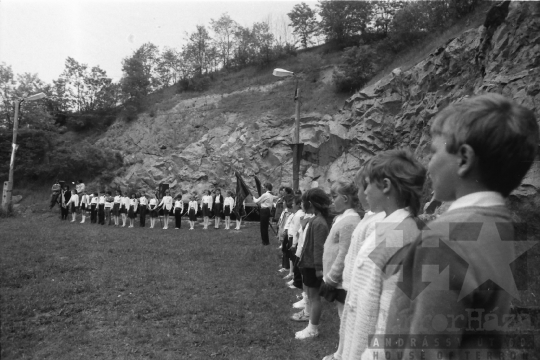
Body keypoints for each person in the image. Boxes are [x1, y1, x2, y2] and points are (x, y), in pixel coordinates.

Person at [378, 94, 539, 359]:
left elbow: (429, 350)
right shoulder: (499, 224)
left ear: (464, 158)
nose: (428, 166)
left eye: (433, 152)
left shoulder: (444, 239)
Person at [337, 149, 426, 359]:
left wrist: (374, 353)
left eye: (367, 184)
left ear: (386, 186)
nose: (364, 192)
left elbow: (391, 306)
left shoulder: (403, 234)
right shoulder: (388, 226)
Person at [323, 166, 386, 360]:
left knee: (356, 328)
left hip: (360, 290)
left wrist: (335, 278)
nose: (362, 193)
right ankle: (342, 353)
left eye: (364, 188)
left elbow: (379, 270)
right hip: (352, 285)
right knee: (347, 325)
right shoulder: (367, 218)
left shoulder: (380, 221)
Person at [320, 178, 361, 321]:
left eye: (334, 197)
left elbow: (345, 254)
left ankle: (344, 343)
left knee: (345, 317)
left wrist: (331, 278)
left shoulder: (350, 222)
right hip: (336, 279)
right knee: (341, 314)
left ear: (344, 198)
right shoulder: (342, 218)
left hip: (340, 280)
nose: (332, 201)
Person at [292, 188, 331, 340]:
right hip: (308, 264)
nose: (302, 204)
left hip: (313, 266)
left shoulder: (319, 223)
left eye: (303, 202)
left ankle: (313, 329)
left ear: (310, 203)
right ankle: (309, 323)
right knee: (310, 294)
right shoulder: (315, 219)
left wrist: (319, 269)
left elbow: (319, 248)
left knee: (315, 298)